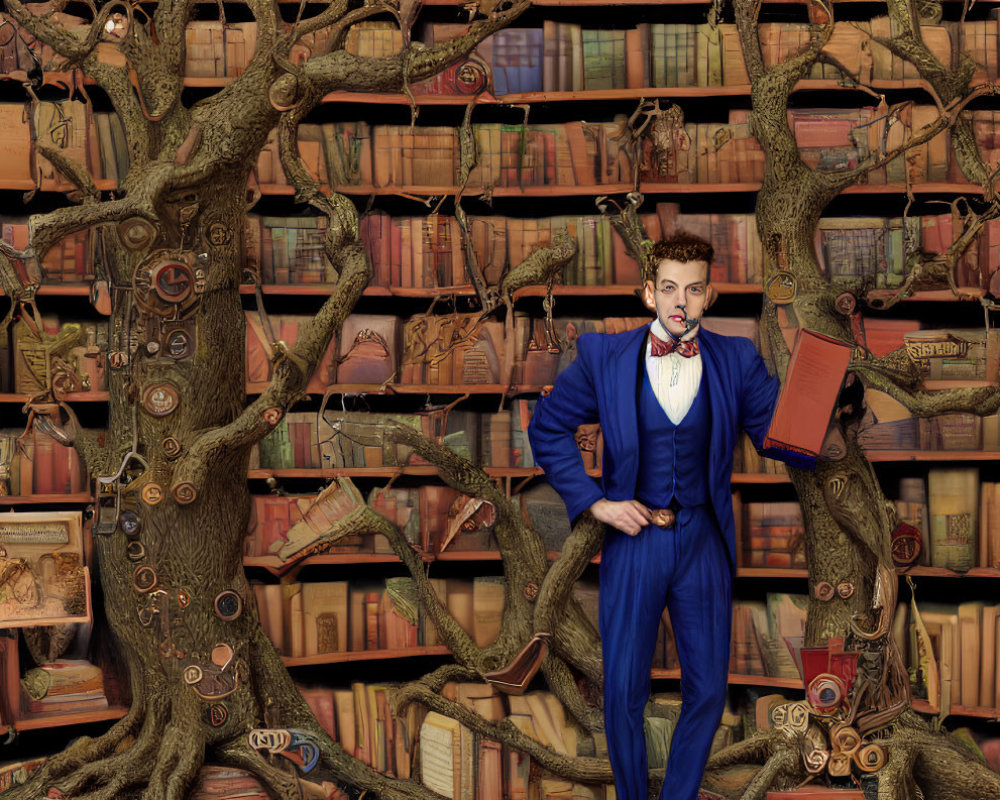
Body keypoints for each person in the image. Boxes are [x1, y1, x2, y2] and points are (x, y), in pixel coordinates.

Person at [527, 231, 784, 800]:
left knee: (709, 691)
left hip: (703, 541)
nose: (679, 302)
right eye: (668, 288)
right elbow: (546, 428)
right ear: (649, 293)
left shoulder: (737, 359)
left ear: (709, 296)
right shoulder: (604, 357)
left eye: (692, 290)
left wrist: (831, 402)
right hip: (634, 539)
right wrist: (595, 502)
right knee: (622, 691)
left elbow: (776, 436)